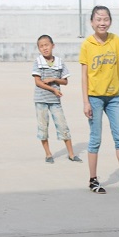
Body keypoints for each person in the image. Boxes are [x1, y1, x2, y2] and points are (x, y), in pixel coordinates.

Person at [79, 6, 119, 194]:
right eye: (98, 19)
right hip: (95, 98)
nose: (102, 22)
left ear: (110, 21)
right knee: (95, 139)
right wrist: (86, 102)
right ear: (91, 22)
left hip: (113, 97)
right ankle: (93, 180)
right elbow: (84, 76)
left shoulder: (115, 40)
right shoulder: (87, 45)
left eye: (105, 19)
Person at [32, 35, 82, 164]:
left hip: (55, 100)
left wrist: (54, 80)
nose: (44, 48)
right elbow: (38, 82)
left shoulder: (59, 62)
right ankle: (48, 154)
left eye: (46, 45)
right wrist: (53, 89)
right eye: (41, 46)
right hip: (41, 99)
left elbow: (65, 81)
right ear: (38, 48)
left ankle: (71, 154)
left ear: (52, 46)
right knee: (43, 127)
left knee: (63, 125)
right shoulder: (38, 62)